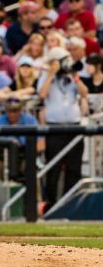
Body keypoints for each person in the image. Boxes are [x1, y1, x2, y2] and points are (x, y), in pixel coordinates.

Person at [37, 47, 88, 210]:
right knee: (53, 167)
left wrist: (74, 75)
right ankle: (52, 205)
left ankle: (71, 204)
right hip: (55, 128)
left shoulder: (72, 77)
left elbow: (85, 93)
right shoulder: (46, 77)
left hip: (74, 126)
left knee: (74, 168)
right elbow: (42, 95)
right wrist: (51, 73)